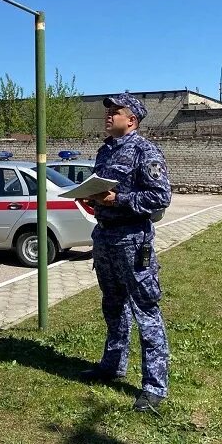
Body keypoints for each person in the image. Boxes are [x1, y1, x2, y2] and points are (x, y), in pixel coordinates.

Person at [81, 92, 172, 415]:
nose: (108, 116)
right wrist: (92, 199)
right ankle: (112, 365)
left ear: (131, 120)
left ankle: (154, 387)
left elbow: (159, 197)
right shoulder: (105, 150)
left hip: (133, 242)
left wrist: (116, 200)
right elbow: (102, 191)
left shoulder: (145, 151)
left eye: (115, 112)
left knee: (145, 311)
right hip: (105, 238)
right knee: (113, 307)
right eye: (108, 112)